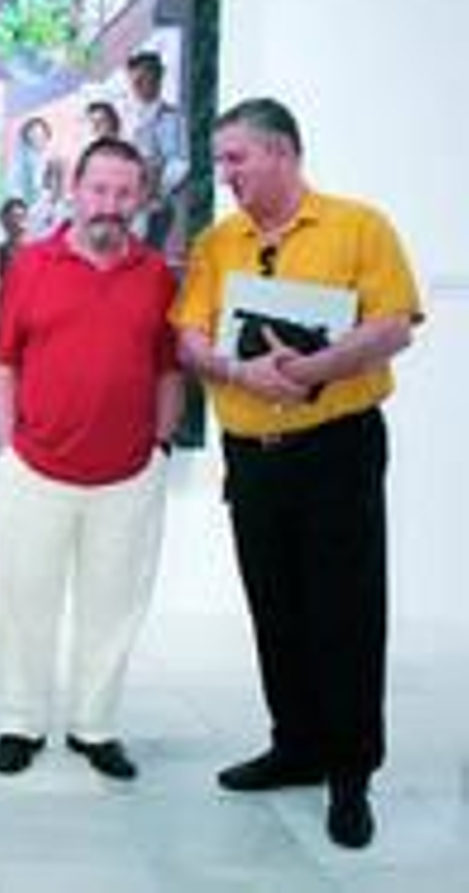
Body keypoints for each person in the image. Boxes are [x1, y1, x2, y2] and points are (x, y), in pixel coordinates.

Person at [172, 98, 422, 850]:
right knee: (274, 605)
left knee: (346, 611)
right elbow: (189, 337)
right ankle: (296, 747)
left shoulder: (359, 226)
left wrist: (315, 368)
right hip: (252, 457)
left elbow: (394, 324)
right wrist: (234, 370)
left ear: (282, 152)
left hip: (336, 449)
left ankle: (350, 775)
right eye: (222, 161)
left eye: (236, 158)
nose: (226, 174)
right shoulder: (219, 243)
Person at [0, 137, 182, 781]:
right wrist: (9, 448)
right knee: (25, 601)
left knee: (113, 606)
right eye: (99, 190)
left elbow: (168, 370)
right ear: (75, 190)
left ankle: (94, 726)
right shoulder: (30, 265)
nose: (110, 204)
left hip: (128, 475)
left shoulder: (156, 275)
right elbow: (5, 361)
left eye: (125, 193)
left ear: (142, 198)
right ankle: (20, 722)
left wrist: (160, 447)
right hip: (35, 467)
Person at [124, 51, 190, 259]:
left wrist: (155, 189)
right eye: (134, 81)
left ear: (158, 78)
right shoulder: (128, 116)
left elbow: (180, 163)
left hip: (154, 205)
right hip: (127, 202)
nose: (137, 86)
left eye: (143, 79)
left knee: (148, 261)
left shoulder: (170, 116)